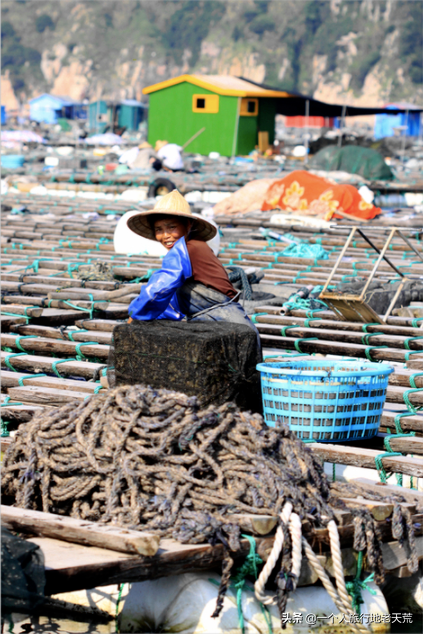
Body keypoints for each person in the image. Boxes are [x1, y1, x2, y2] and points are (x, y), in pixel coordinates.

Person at [126, 190, 260, 342]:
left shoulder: (188, 250)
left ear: (187, 225)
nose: (165, 235)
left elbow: (159, 288)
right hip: (223, 327)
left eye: (171, 227)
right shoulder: (195, 247)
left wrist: (135, 314)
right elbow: (171, 303)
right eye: (159, 230)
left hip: (228, 328)